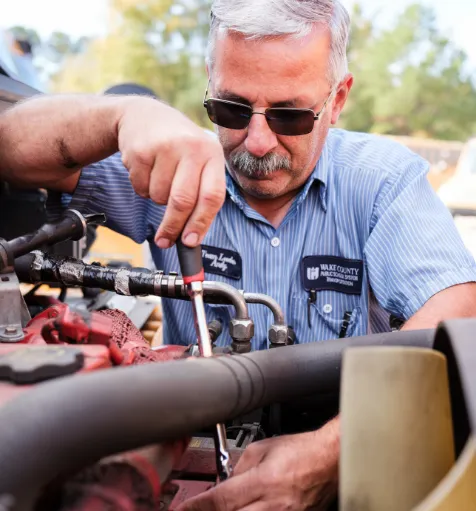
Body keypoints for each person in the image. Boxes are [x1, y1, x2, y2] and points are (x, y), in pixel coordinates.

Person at [2, 0, 476, 508]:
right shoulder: (173, 167)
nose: (256, 140)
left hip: (351, 451)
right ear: (210, 82)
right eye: (230, 108)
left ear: (337, 100)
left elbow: (459, 312)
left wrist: (331, 452)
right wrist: (125, 114)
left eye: (290, 115)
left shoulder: (382, 181)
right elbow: (11, 148)